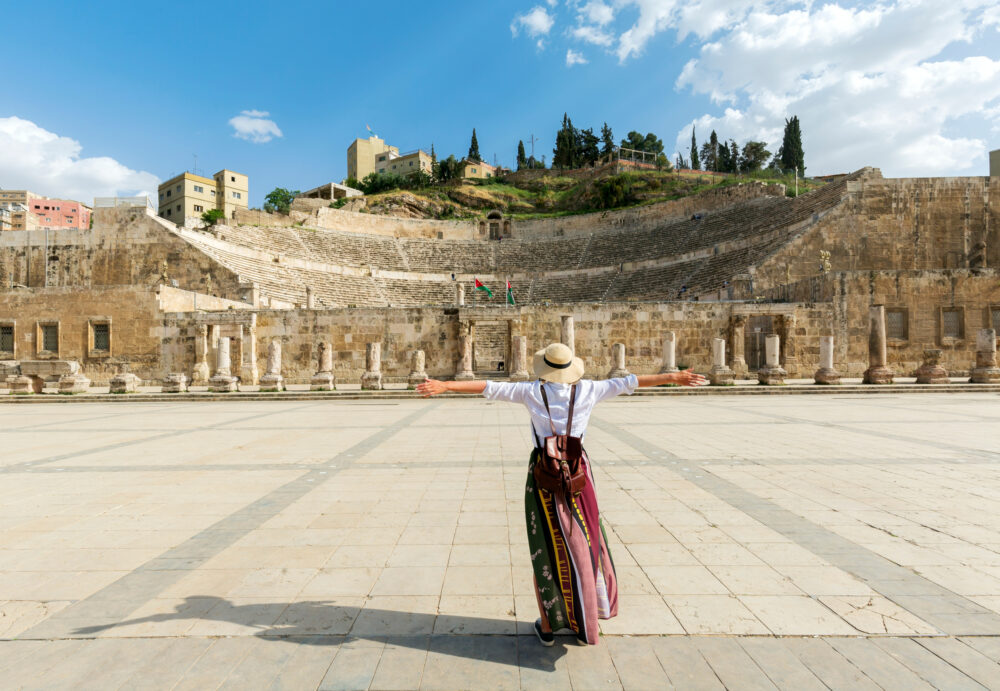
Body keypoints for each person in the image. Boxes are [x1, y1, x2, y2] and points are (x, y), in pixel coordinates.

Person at [417, 342, 707, 646]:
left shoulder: (531, 392)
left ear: (545, 368)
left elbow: (488, 387)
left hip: (544, 475)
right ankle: (585, 623)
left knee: (544, 545)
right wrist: (672, 377)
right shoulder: (591, 390)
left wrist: (445, 385)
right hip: (579, 474)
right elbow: (631, 381)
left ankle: (548, 624)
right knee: (586, 541)